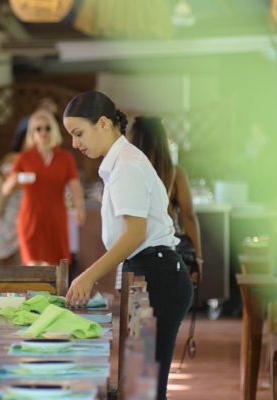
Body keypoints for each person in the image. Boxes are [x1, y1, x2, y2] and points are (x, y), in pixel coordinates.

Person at [62, 91, 193, 400]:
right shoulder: (119, 162)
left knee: (147, 387)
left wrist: (88, 275)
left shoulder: (127, 164)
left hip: (158, 274)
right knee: (141, 386)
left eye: (78, 133)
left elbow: (135, 235)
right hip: (149, 271)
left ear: (104, 123)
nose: (75, 143)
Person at [2, 109, 85, 266]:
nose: (43, 132)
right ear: (32, 132)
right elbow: (5, 189)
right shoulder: (24, 158)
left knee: (55, 268)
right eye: (38, 128)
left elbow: (74, 184)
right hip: (30, 219)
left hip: (56, 219)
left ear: (54, 131)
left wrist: (79, 206)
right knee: (33, 267)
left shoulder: (65, 158)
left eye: (47, 128)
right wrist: (14, 181)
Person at [129, 117, 203, 285]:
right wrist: (198, 258)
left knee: (135, 304)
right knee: (169, 299)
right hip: (166, 244)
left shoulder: (128, 171)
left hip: (133, 246)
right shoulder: (175, 172)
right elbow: (188, 216)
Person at [0, 126, 29, 265]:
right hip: (9, 208)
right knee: (6, 253)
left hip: (25, 208)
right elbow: (7, 178)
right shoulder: (13, 157)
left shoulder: (35, 159)